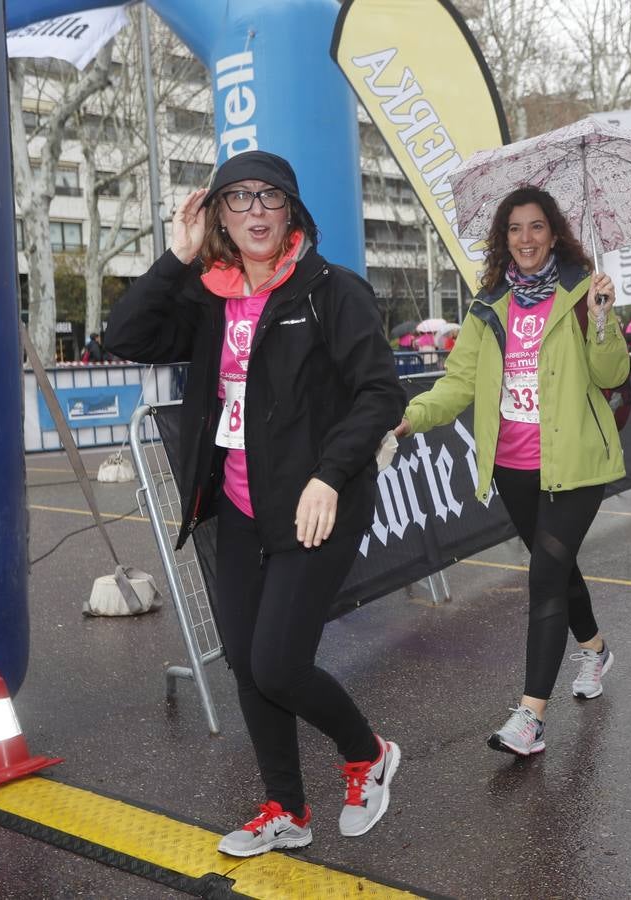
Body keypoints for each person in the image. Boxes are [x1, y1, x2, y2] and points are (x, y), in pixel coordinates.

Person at [106, 151, 406, 855]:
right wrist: (175, 260)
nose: (255, 213)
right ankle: (286, 809)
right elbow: (124, 337)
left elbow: (381, 394)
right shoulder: (207, 293)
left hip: (315, 504)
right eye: (237, 201)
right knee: (246, 663)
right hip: (236, 507)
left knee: (277, 664)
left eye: (269, 198)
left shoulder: (332, 290)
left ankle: (367, 753)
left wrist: (331, 474)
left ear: (292, 211)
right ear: (218, 217)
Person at [394, 186, 629, 756]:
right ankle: (595, 649)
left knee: (545, 576)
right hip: (513, 467)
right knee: (559, 566)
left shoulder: (582, 293)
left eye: (536, 227)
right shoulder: (486, 307)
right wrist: (408, 419)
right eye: (515, 229)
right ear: (503, 240)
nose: (526, 239)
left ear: (554, 234)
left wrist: (600, 321)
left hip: (574, 463)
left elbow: (610, 373)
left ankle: (530, 717)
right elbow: (458, 385)